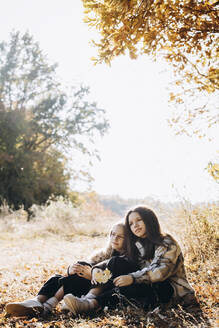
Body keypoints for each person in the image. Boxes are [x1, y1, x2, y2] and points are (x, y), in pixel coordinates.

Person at [64, 206, 196, 315]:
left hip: (171, 290)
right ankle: (87, 300)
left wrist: (132, 278)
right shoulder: (139, 245)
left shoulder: (166, 242)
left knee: (129, 285)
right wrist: (97, 268)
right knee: (116, 263)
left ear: (149, 220)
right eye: (131, 223)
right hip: (147, 283)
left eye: (139, 220)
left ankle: (90, 305)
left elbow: (159, 272)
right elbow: (123, 260)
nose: (135, 225)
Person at [5, 222, 126, 317]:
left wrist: (92, 276)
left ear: (128, 240)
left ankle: (47, 306)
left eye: (120, 236)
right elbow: (84, 268)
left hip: (96, 292)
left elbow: (112, 280)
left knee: (76, 273)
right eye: (113, 234)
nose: (115, 238)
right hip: (79, 285)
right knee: (58, 277)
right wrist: (70, 270)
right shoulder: (102, 254)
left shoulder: (123, 260)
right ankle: (36, 300)